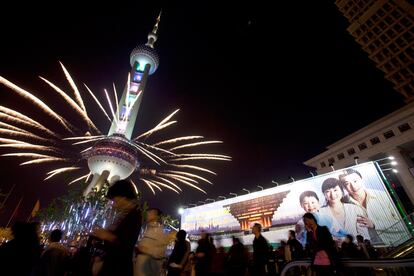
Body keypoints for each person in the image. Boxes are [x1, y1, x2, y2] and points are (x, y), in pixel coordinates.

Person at [339, 168, 405, 245]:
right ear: (343, 187)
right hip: (372, 251)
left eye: (355, 181)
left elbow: (402, 223)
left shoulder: (383, 196)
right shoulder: (342, 204)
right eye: (347, 183)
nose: (353, 186)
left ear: (361, 179)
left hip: (399, 242)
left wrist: (374, 224)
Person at [91, 179, 142, 276]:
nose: (114, 204)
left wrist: (107, 236)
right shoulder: (123, 215)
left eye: (115, 200)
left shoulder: (134, 215)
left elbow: (126, 245)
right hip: (112, 265)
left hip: (119, 268)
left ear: (123, 197)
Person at [134, 208, 173, 276]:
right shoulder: (148, 229)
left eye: (151, 213)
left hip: (147, 270)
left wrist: (147, 250)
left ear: (157, 216)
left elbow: (161, 252)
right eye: (148, 213)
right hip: (140, 267)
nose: (148, 215)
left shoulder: (159, 231)